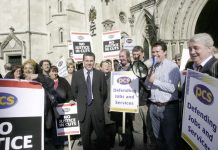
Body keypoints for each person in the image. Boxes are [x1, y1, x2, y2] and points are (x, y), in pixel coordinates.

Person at [145, 41, 180, 150]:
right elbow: (147, 87)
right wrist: (147, 79)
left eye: (157, 52)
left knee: (170, 140)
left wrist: (154, 81)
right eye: (153, 52)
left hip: (168, 108)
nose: (155, 54)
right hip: (153, 107)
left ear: (165, 52)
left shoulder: (172, 66)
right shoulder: (153, 66)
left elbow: (172, 88)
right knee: (158, 139)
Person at [71, 52, 108, 150]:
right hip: (84, 108)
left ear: (94, 61)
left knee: (101, 134)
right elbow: (74, 92)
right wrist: (82, 100)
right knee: (85, 136)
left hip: (97, 108)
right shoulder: (76, 75)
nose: (89, 63)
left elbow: (104, 93)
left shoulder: (100, 74)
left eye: (91, 61)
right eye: (87, 61)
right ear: (83, 61)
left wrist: (98, 102)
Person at [131, 46, 156, 150]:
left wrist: (142, 76)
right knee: (137, 130)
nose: (136, 56)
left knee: (150, 130)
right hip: (134, 103)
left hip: (146, 103)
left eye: (138, 54)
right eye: (134, 55)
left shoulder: (150, 66)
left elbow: (149, 86)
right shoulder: (132, 66)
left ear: (143, 54)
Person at [113, 49, 133, 150]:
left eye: (123, 56)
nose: (121, 58)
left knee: (129, 122)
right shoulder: (118, 67)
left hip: (130, 99)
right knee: (121, 122)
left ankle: (130, 142)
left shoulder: (133, 67)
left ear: (128, 56)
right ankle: (125, 139)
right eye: (120, 56)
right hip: (121, 99)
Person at [49, 65, 73, 149]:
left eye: (56, 71)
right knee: (54, 125)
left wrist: (70, 99)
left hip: (62, 106)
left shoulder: (62, 80)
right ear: (49, 72)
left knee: (62, 124)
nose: (55, 73)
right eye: (53, 71)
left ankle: (64, 140)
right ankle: (56, 142)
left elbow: (69, 91)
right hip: (52, 107)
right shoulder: (47, 81)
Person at [100, 60, 116, 149]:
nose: (106, 67)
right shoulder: (98, 77)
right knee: (103, 126)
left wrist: (114, 104)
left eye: (108, 65)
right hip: (101, 105)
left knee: (112, 125)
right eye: (104, 65)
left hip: (111, 104)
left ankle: (112, 142)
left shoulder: (113, 77)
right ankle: (105, 143)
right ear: (101, 67)